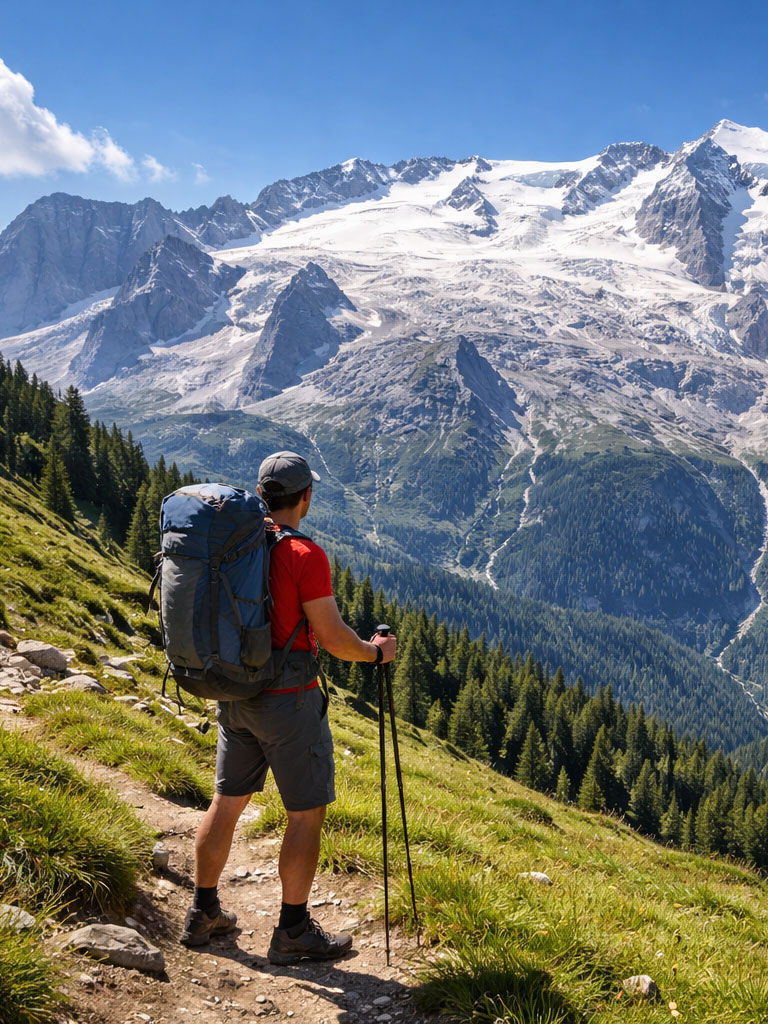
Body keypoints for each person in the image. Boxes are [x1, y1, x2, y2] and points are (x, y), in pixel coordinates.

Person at [181, 451, 396, 965]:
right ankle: (294, 931)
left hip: (235, 690)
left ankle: (202, 910)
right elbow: (331, 637)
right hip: (289, 701)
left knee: (227, 800)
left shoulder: (238, 541)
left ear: (261, 495)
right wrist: (374, 652)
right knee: (305, 815)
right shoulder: (304, 555)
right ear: (305, 498)